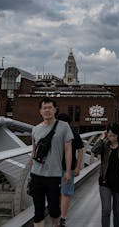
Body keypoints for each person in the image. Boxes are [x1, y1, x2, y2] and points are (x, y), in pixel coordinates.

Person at [29, 97, 73, 227]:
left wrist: (68, 172)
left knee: (54, 210)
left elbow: (68, 150)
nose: (47, 110)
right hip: (36, 174)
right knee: (38, 211)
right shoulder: (35, 129)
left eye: (49, 108)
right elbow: (33, 151)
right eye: (44, 108)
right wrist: (29, 174)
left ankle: (56, 223)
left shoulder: (64, 127)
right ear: (40, 111)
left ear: (55, 110)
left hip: (54, 175)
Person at [91, 123, 119, 227]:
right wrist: (102, 139)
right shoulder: (105, 145)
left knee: (117, 211)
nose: (112, 138)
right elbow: (94, 150)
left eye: (114, 136)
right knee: (106, 210)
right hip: (105, 182)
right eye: (110, 136)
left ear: (118, 135)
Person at [56, 113, 84, 227]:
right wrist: (77, 167)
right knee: (63, 193)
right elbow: (81, 150)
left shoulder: (72, 134)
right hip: (62, 168)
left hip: (65, 168)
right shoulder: (71, 133)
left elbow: (80, 149)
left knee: (65, 193)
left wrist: (78, 167)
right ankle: (61, 216)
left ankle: (62, 217)